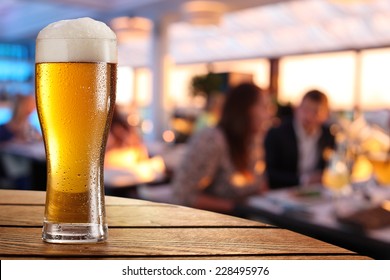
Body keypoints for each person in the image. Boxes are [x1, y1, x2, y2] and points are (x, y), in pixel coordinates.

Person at [172, 83, 273, 215]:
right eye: (264, 107)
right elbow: (183, 196)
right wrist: (235, 207)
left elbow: (259, 184)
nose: (269, 114)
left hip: (248, 219)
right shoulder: (212, 139)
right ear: (245, 109)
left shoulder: (254, 140)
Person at [264, 89, 335, 189]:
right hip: (284, 193)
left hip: (317, 193)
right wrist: (303, 180)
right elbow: (270, 174)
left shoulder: (328, 135)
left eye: (316, 112)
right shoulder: (277, 133)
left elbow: (332, 166)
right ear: (297, 108)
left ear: (325, 115)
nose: (309, 116)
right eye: (306, 109)